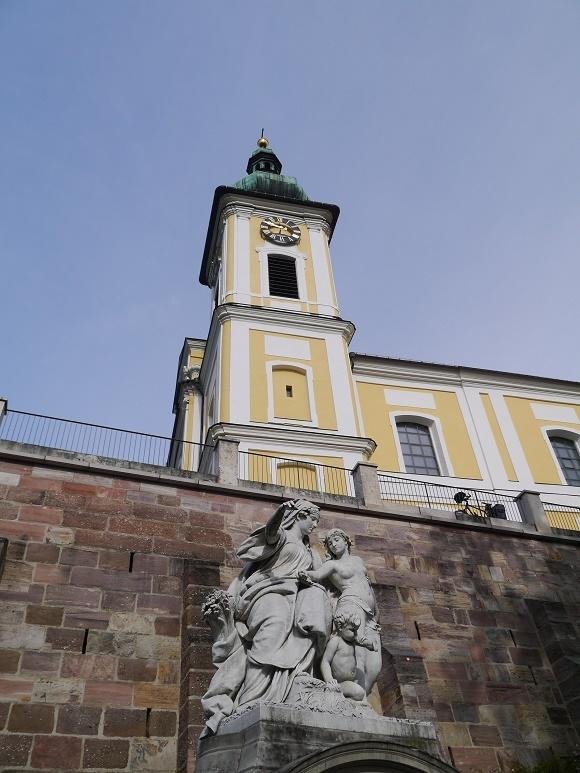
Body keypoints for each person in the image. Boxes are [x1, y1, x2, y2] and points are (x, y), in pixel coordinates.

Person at [201, 499, 333, 731]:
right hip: (268, 592)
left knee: (309, 624)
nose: (315, 525)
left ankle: (294, 681)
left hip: (298, 596)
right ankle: (251, 698)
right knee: (273, 628)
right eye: (312, 519)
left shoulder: (311, 551)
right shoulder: (281, 536)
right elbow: (269, 534)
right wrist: (280, 512)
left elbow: (322, 577)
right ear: (299, 516)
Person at [300, 527, 381, 695]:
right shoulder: (331, 564)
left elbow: (368, 586)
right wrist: (304, 574)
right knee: (358, 654)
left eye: (336, 540)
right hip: (350, 605)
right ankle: (358, 699)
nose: (333, 544)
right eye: (330, 543)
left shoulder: (358, 560)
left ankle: (359, 696)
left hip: (371, 614)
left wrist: (376, 611)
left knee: (375, 666)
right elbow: (316, 574)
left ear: (346, 540)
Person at [320, 610, 373, 701]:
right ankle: (337, 696)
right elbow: (325, 661)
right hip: (338, 683)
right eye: (352, 630)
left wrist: (369, 643)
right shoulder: (336, 641)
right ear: (341, 627)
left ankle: (344, 701)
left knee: (359, 693)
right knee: (359, 692)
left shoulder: (352, 640)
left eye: (356, 630)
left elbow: (371, 646)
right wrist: (329, 679)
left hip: (349, 682)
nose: (355, 633)